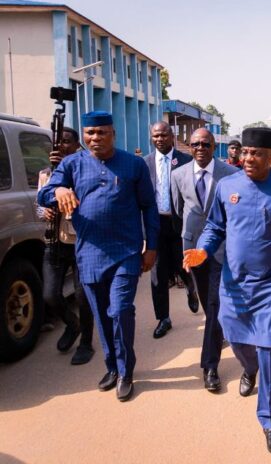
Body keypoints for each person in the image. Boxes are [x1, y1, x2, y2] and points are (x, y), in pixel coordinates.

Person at [183, 127, 271, 457]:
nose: (250, 158)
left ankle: (270, 419)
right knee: (236, 339)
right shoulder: (228, 187)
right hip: (235, 282)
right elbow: (214, 226)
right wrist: (203, 249)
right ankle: (250, 368)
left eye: (258, 153)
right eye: (246, 153)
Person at [38, 111, 159, 402]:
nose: (95, 138)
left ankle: (126, 370)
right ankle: (112, 367)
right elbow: (44, 196)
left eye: (101, 133)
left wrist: (151, 247)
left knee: (119, 311)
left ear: (113, 134)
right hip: (89, 254)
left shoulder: (133, 165)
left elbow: (149, 207)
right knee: (101, 317)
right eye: (90, 133)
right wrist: (60, 189)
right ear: (85, 135)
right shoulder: (71, 164)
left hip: (126, 252)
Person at [171, 128, 237, 392]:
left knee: (214, 303)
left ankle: (210, 366)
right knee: (211, 308)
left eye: (205, 144)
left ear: (213, 147)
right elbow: (178, 211)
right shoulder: (178, 175)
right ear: (189, 146)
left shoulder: (231, 174)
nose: (200, 148)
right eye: (195, 144)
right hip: (193, 249)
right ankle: (218, 334)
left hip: (221, 249)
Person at [36, 127, 95, 365]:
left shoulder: (84, 170)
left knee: (83, 295)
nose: (61, 146)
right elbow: (38, 205)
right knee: (50, 294)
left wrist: (65, 180)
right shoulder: (45, 174)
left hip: (82, 241)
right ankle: (73, 324)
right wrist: (45, 210)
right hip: (55, 241)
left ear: (77, 145)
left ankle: (86, 343)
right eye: (57, 143)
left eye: (67, 142)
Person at [144, 121, 198, 339]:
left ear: (172, 136)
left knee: (184, 266)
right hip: (156, 224)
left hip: (179, 224)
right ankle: (163, 318)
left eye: (164, 135)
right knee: (158, 274)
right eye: (156, 136)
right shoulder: (145, 163)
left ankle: (191, 289)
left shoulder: (186, 160)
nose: (160, 139)